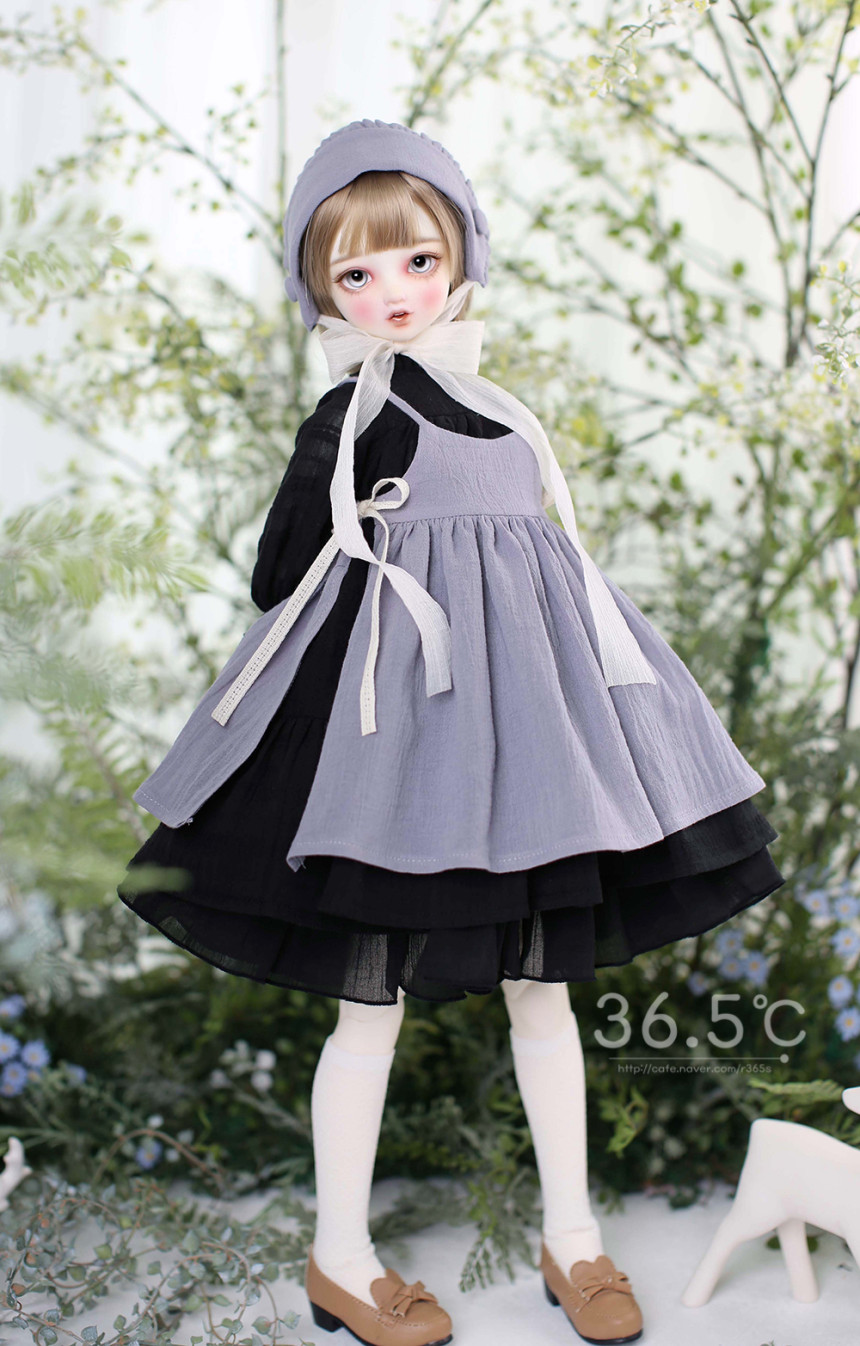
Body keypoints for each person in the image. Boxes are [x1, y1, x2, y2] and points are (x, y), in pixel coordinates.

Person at [117, 119, 785, 1346]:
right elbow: (280, 577)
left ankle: (571, 1235)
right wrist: (330, 472)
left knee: (545, 992)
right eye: (355, 273)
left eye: (417, 261)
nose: (392, 292)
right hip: (401, 746)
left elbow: (539, 562)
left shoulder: (496, 407)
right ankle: (340, 1254)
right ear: (321, 290)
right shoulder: (356, 413)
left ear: (460, 257)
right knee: (367, 1004)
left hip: (527, 738)